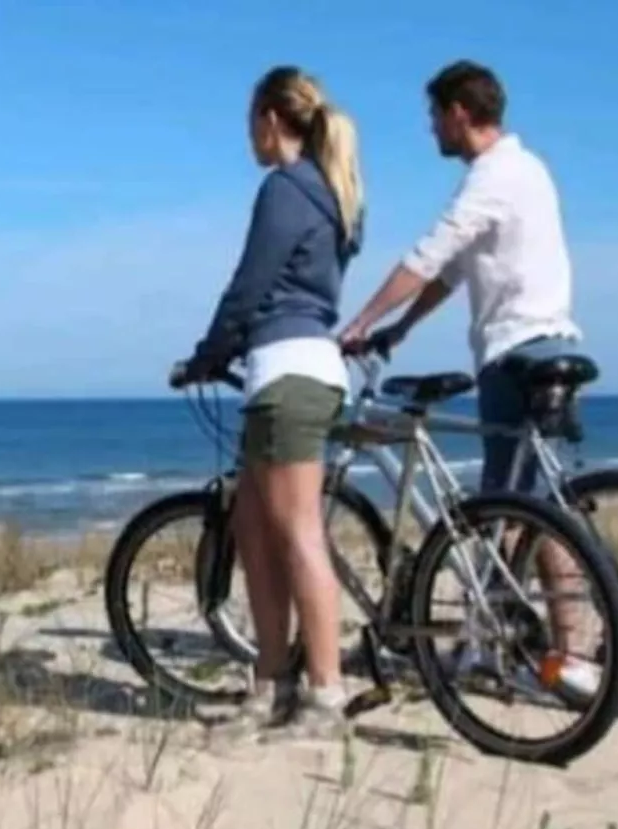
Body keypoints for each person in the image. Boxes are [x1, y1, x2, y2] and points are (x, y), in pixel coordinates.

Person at [338, 58, 600, 696]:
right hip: (548, 340)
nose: (431, 130)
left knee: (513, 508)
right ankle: (543, 645)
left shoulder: (493, 176)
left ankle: (567, 652)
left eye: (434, 117)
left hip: (517, 351)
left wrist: (363, 320)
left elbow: (428, 254)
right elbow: (454, 272)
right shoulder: (528, 168)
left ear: (460, 112)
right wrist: (401, 330)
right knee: (532, 503)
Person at [179, 65, 366, 736]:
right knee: (254, 530)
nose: (248, 138)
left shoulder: (287, 189)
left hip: (289, 374)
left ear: (269, 120)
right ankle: (271, 682)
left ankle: (326, 695)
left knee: (296, 534)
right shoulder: (334, 193)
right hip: (289, 371)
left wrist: (208, 353)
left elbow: (251, 284)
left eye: (249, 124)